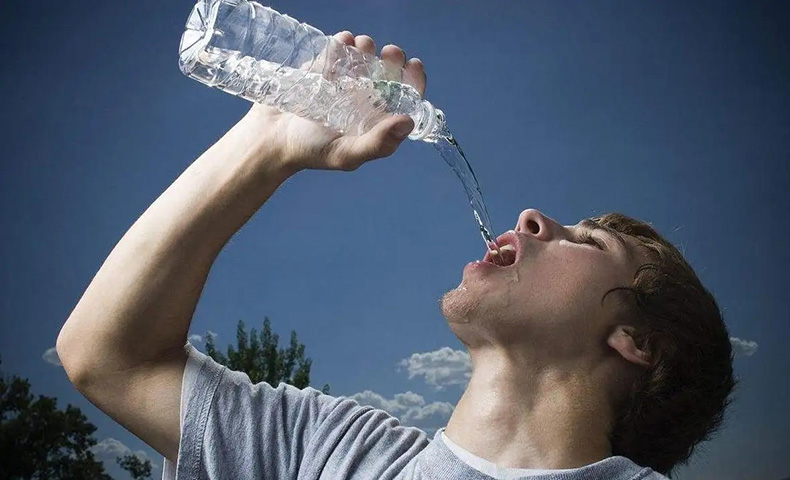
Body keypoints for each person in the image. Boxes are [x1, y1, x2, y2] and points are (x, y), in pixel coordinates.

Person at [57, 31, 735, 479]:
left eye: (587, 242)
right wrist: (267, 141)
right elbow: (107, 358)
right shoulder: (329, 453)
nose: (533, 218)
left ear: (638, 341)